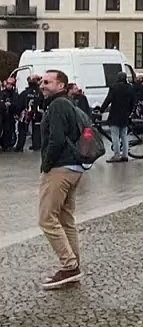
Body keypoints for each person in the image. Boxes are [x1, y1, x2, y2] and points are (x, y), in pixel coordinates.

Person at [36, 70, 88, 290]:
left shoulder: (58, 106)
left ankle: (69, 266)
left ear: (61, 85)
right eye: (42, 81)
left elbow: (56, 140)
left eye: (47, 82)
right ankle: (73, 264)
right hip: (74, 167)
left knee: (47, 218)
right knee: (66, 218)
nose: (42, 85)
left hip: (61, 168)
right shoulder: (68, 103)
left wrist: (46, 165)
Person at [101, 72, 135, 162]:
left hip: (115, 114)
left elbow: (108, 99)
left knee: (115, 136)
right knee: (124, 135)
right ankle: (125, 155)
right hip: (125, 115)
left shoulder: (114, 87)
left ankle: (116, 155)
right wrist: (130, 112)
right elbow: (133, 102)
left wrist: (101, 110)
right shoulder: (130, 88)